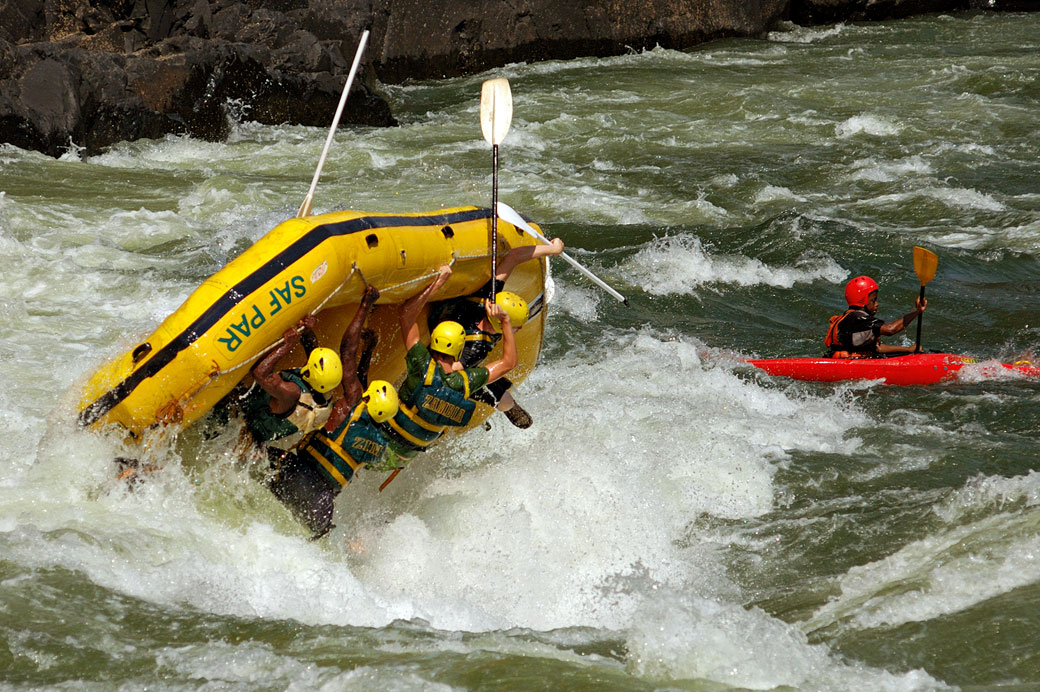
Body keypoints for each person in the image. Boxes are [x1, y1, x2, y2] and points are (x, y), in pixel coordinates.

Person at [266, 285, 401, 539]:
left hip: (298, 474)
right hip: (322, 505)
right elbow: (360, 405)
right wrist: (369, 352)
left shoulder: (351, 405)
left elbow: (347, 352)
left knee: (255, 456)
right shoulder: (379, 442)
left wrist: (366, 305)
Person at [382, 265, 518, 467]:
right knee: (487, 393)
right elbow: (509, 363)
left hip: (382, 442)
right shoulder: (465, 381)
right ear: (459, 349)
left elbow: (406, 313)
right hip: (406, 455)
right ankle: (505, 403)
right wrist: (505, 321)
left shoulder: (421, 364)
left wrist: (436, 284)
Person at [427, 238, 564, 428]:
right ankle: (505, 405)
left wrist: (552, 249)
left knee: (496, 391)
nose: (518, 329)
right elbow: (449, 374)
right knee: (494, 393)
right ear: (502, 325)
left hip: (445, 331)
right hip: (456, 354)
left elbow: (513, 257)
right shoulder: (477, 349)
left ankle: (507, 408)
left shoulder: (490, 296)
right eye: (516, 326)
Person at [238, 316, 343, 454]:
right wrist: (306, 329)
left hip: (243, 425)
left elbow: (259, 373)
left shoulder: (291, 392)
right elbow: (313, 350)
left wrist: (286, 346)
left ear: (308, 371)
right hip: (261, 436)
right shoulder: (323, 388)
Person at [825, 275, 926, 357]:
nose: (877, 304)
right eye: (873, 300)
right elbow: (890, 330)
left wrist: (908, 350)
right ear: (863, 301)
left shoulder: (850, 318)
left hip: (844, 359)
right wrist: (916, 311)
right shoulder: (858, 318)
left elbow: (877, 348)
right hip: (848, 363)